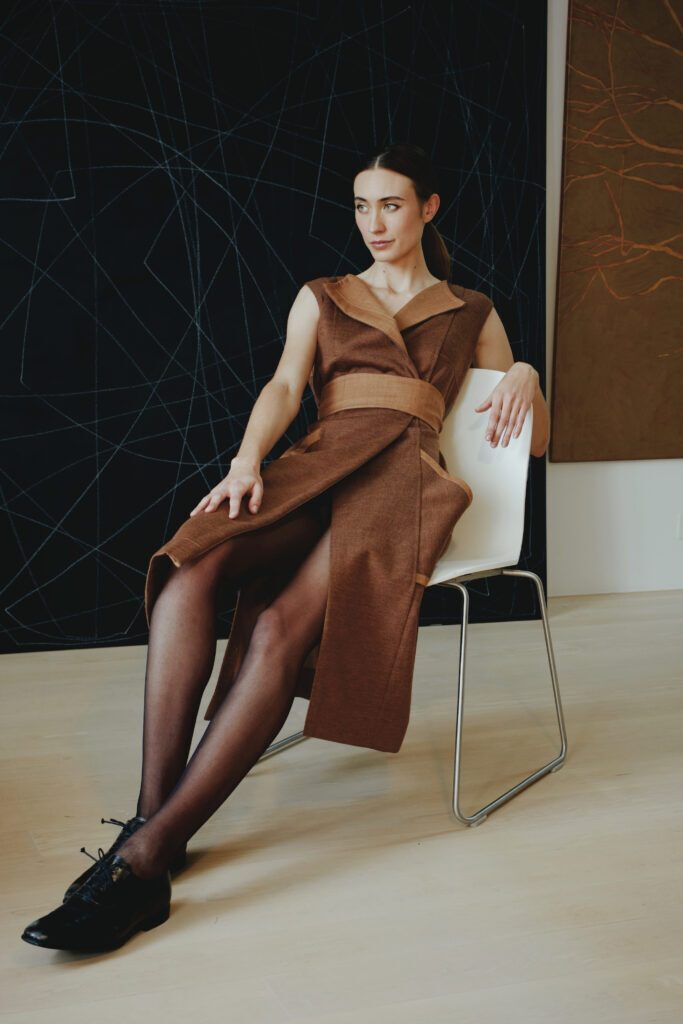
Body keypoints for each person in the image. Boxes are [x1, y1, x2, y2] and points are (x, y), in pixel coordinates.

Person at [21, 143, 549, 953]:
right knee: (187, 570)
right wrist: (245, 463)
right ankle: (151, 829)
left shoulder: (471, 311)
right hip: (319, 462)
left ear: (428, 208)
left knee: (276, 630)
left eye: (391, 205)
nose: (374, 223)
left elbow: (532, 444)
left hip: (403, 484)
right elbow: (281, 385)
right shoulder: (323, 295)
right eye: (362, 207)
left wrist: (525, 374)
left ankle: (143, 862)